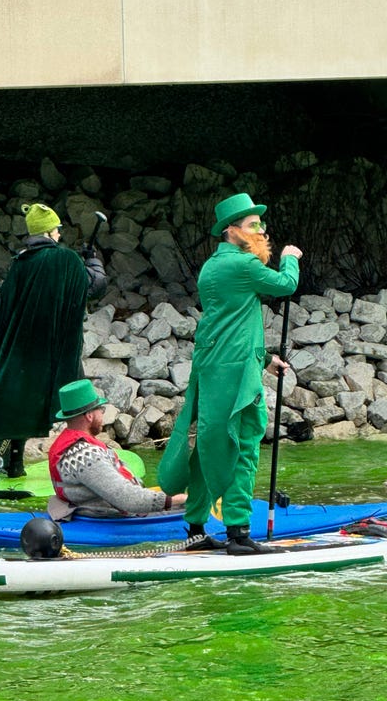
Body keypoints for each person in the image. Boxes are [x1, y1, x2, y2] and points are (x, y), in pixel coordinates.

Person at [158, 192, 302, 555]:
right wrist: (290, 258)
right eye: (253, 224)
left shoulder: (212, 266)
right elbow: (286, 286)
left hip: (213, 367)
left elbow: (229, 323)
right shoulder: (243, 265)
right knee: (243, 444)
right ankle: (238, 533)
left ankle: (195, 529)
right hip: (236, 376)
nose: (261, 230)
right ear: (231, 230)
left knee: (209, 447)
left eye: (261, 224)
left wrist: (265, 359)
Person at [0, 202, 106, 478]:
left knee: (20, 398)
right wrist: (92, 261)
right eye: (57, 229)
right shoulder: (65, 259)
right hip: (57, 350)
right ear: (49, 232)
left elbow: (4, 306)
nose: (59, 234)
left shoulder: (20, 263)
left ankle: (14, 464)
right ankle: (88, 457)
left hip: (20, 351)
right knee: (76, 399)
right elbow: (94, 287)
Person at [48, 379, 186, 520]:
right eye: (101, 410)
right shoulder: (84, 455)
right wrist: (178, 500)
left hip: (99, 511)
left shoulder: (75, 448)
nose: (103, 415)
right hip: (114, 517)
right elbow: (129, 500)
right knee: (191, 507)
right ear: (89, 416)